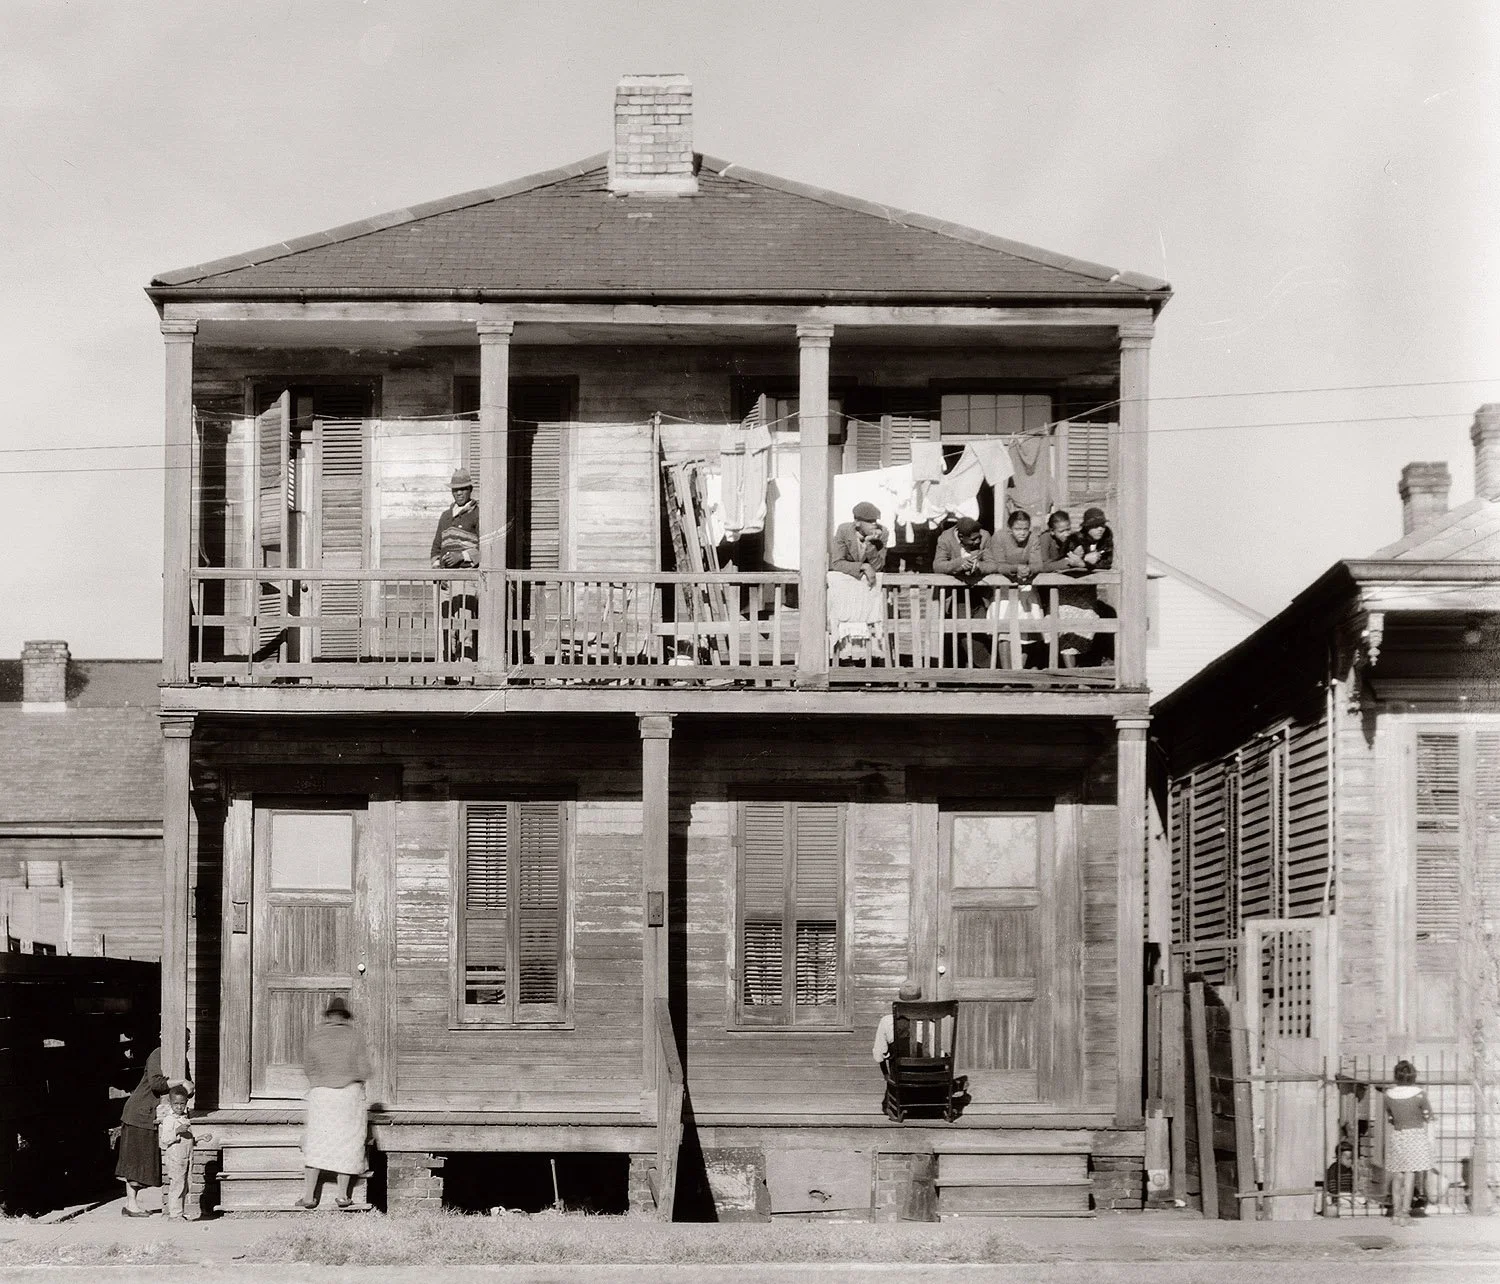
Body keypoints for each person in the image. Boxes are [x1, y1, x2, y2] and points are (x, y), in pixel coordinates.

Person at [297, 996, 371, 1211]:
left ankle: (309, 1197)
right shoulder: (354, 1037)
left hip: (322, 1094)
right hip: (348, 1094)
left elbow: (309, 1068)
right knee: (347, 1142)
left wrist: (321, 1081)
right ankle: (342, 1196)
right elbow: (365, 1069)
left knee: (317, 1141)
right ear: (345, 1017)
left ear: (328, 1016)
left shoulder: (316, 1036)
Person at [827, 502, 889, 664]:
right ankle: (844, 661)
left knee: (872, 627)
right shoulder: (844, 531)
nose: (874, 524)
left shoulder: (882, 533)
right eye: (869, 521)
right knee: (845, 627)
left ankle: (872, 663)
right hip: (845, 589)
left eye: (875, 520)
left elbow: (879, 565)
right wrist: (863, 566)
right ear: (857, 522)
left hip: (867, 591)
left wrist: (870, 545)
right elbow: (837, 563)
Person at [982, 510, 1044, 667]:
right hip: (1004, 589)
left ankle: (1018, 672)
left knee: (1027, 629)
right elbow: (998, 563)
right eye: (1018, 529)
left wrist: (1030, 569)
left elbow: (1037, 563)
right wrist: (1016, 568)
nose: (1022, 533)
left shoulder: (1033, 538)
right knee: (1004, 630)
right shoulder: (999, 537)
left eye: (1025, 529)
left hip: (1026, 588)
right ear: (1010, 529)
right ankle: (1007, 674)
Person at [430, 469, 480, 663]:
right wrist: (437, 570)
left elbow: (486, 547)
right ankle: (445, 674)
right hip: (446, 582)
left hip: (467, 579)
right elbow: (436, 547)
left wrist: (462, 556)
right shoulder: (445, 516)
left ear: (470, 490)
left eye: (462, 490)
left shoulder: (477, 514)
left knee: (465, 627)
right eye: (455, 490)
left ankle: (466, 674)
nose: (458, 493)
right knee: (446, 626)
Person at [933, 517, 993, 668]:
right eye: (972, 540)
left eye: (978, 538)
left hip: (980, 592)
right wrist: (960, 564)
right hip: (956, 594)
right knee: (965, 633)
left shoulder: (985, 536)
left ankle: (990, 671)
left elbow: (993, 563)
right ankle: (987, 671)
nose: (976, 542)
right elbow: (938, 565)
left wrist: (979, 566)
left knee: (983, 631)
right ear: (961, 537)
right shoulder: (945, 539)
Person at [116, 1044, 168, 1217]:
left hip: (151, 1114)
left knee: (145, 1161)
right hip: (139, 1113)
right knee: (135, 1161)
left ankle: (132, 1205)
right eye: (186, 1038)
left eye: (189, 1039)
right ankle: (131, 1205)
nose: (188, 1043)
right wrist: (182, 1082)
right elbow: (157, 1083)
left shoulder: (180, 1058)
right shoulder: (157, 1054)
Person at [1384, 1059, 1434, 1225]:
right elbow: (1428, 1116)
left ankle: (1396, 1213)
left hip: (1398, 1135)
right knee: (1410, 1173)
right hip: (1415, 1135)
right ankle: (1405, 1214)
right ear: (1413, 1076)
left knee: (1397, 1174)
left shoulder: (1389, 1095)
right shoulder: (1419, 1094)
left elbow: (1390, 1118)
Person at [156, 1083, 210, 1220]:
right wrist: (176, 1131)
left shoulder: (185, 1118)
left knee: (185, 1185)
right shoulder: (169, 1120)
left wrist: (200, 1138)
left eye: (182, 1104)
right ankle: (174, 1215)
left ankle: (180, 1212)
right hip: (175, 1158)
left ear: (186, 1103)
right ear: (170, 1103)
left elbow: (188, 1140)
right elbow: (165, 1139)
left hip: (187, 1157)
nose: (179, 1107)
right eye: (176, 1104)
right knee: (177, 1185)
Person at [873, 979, 925, 1078]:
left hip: (898, 1080)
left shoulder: (887, 1021)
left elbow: (879, 1054)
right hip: (927, 1081)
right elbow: (940, 1054)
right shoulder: (929, 1022)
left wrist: (886, 1074)